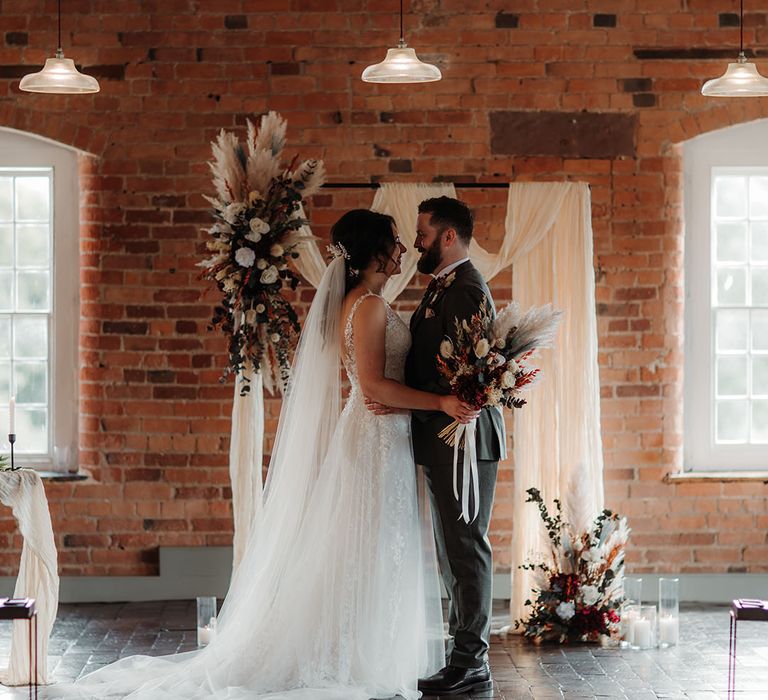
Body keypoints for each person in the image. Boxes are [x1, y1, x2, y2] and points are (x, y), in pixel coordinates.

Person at [59, 209, 479, 700]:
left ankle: (367, 648)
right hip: (375, 439)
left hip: (384, 435)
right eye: (394, 241)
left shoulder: (367, 302)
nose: (403, 249)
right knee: (371, 542)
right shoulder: (365, 307)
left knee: (373, 544)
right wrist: (442, 401)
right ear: (374, 252)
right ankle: (349, 655)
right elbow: (372, 385)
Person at [407, 197, 506, 696]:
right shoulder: (441, 287)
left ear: (449, 236)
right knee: (451, 550)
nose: (416, 241)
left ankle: (472, 662)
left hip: (462, 439)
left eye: (422, 232)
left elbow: (469, 378)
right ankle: (461, 654)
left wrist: (430, 403)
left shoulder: (466, 289)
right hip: (441, 437)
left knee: (466, 548)